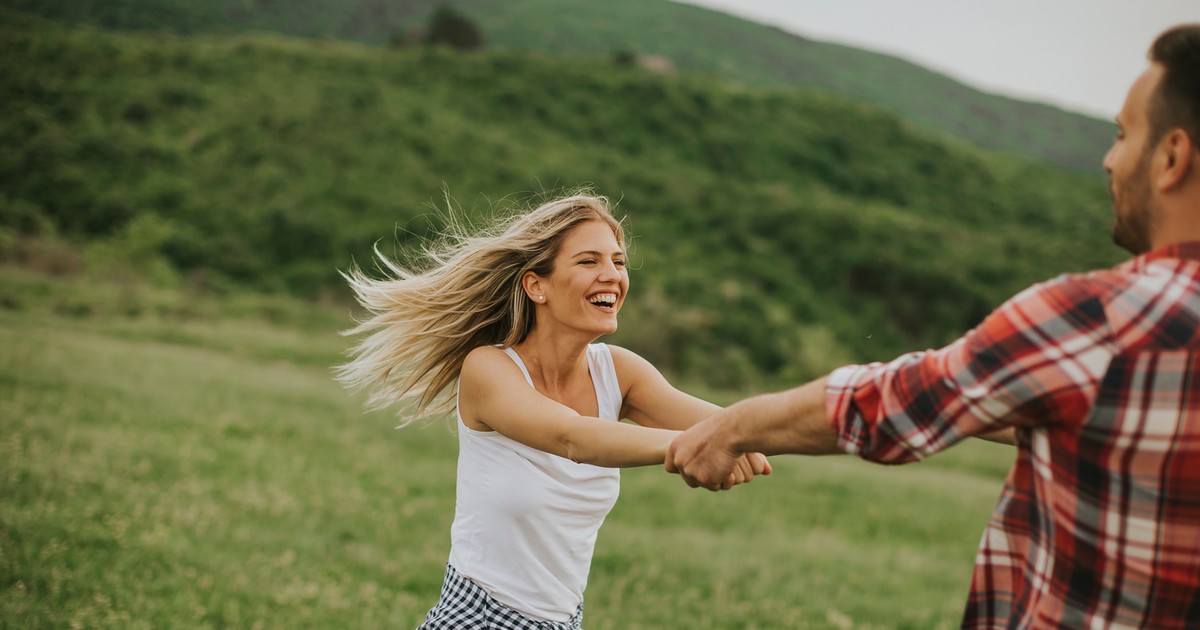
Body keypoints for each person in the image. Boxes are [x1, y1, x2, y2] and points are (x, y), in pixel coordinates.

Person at [666, 23, 1200, 629]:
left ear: (1172, 157)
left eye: (1124, 135)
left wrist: (733, 427)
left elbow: (893, 401)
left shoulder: (1101, 318)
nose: (1108, 159)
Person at [336, 192, 769, 629]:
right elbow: (572, 437)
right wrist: (692, 446)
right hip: (480, 616)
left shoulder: (619, 372)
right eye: (588, 262)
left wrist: (831, 415)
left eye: (618, 262)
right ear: (536, 285)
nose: (612, 276)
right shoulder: (489, 369)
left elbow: (728, 423)